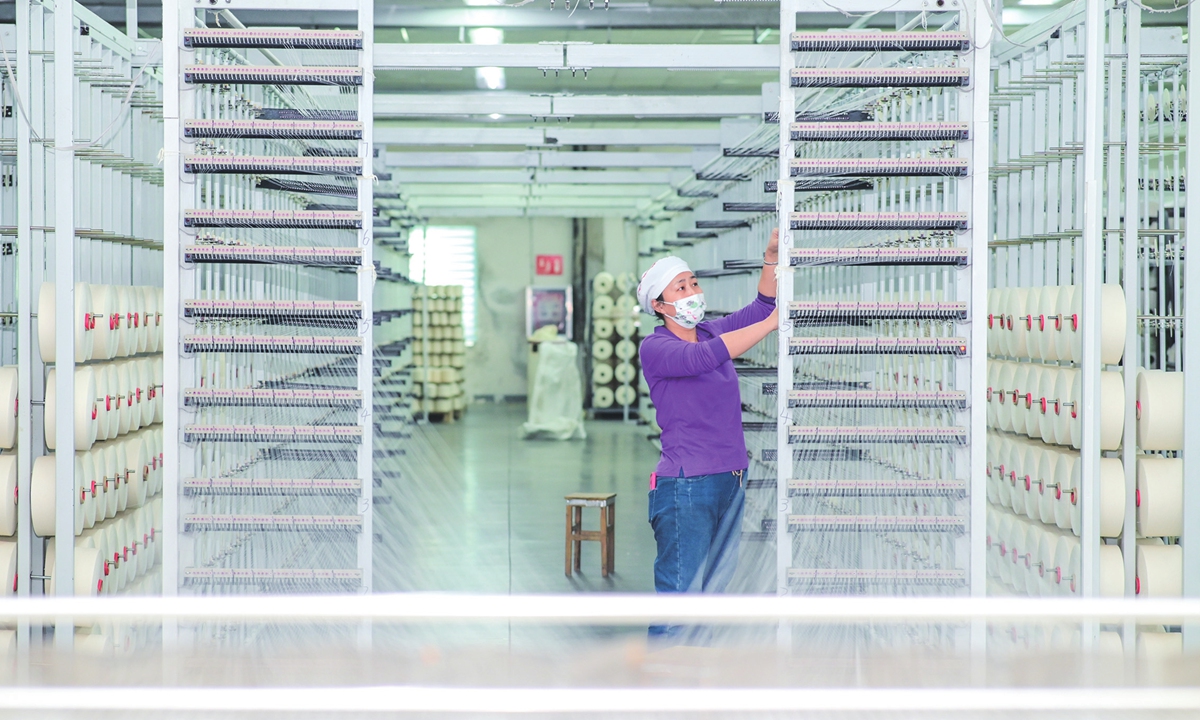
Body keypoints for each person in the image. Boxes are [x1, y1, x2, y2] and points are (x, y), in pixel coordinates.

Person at [636, 229, 780, 643]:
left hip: (730, 481)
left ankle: (694, 688)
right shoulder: (657, 346)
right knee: (682, 599)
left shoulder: (709, 332)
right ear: (660, 305)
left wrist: (770, 259)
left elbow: (759, 309)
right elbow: (705, 358)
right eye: (680, 287)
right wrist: (773, 324)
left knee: (713, 596)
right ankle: (662, 693)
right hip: (687, 487)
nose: (692, 290)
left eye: (693, 282)